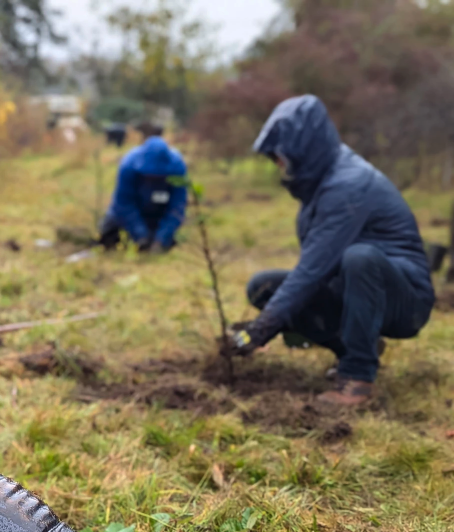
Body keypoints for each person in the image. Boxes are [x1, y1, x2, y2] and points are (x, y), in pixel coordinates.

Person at [226, 95, 435, 406]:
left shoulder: (348, 185)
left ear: (305, 149)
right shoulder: (324, 182)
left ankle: (358, 377)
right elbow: (312, 272)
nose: (280, 166)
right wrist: (268, 323)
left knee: (360, 258)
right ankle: (356, 347)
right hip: (357, 289)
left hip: (405, 299)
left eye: (281, 157)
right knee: (264, 287)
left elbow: (311, 270)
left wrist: (259, 331)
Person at [99, 123, 188, 253]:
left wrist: (161, 239)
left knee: (167, 241)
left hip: (159, 215)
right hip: (131, 215)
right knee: (109, 230)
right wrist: (141, 235)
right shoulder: (129, 165)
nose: (153, 180)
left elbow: (177, 206)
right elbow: (123, 204)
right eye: (149, 177)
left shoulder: (177, 166)